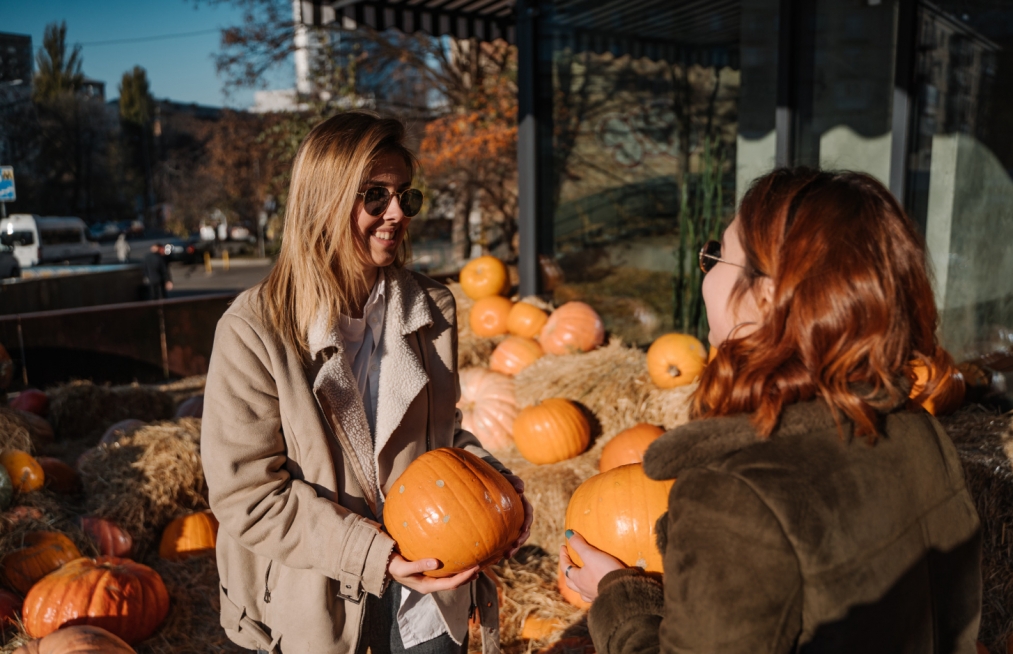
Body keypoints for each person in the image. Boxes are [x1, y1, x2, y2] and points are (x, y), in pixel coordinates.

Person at [562, 168, 982, 654]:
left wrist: (619, 597)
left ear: (763, 296)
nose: (707, 272)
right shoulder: (919, 432)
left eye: (717, 254)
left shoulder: (737, 492)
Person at [200, 112, 533, 654]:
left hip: (429, 589)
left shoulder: (432, 308)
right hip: (316, 599)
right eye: (374, 196)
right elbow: (248, 496)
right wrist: (375, 555)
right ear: (322, 202)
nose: (397, 214)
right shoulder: (254, 331)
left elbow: (440, 440)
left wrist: (492, 487)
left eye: (406, 195)